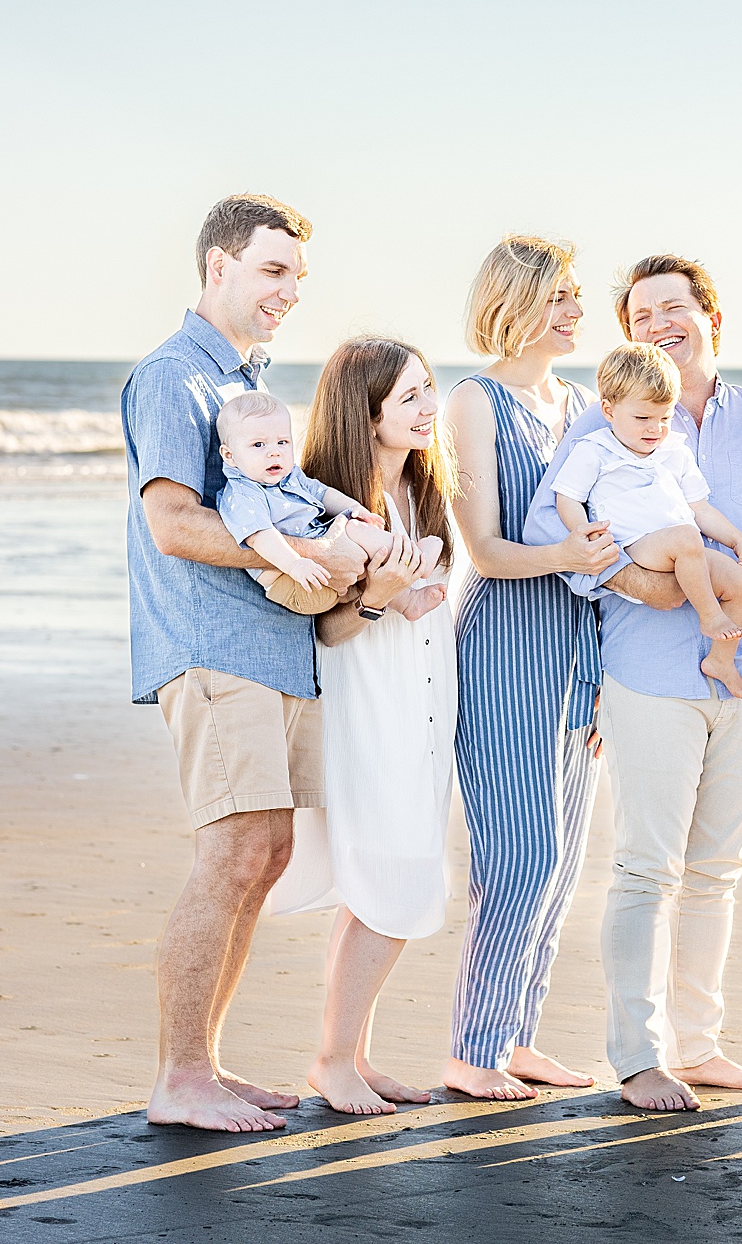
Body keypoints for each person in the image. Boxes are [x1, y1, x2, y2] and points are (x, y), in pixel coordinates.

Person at [527, 254, 742, 1111]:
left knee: (718, 867)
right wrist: (641, 583)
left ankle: (700, 1043)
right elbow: (557, 530)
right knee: (646, 868)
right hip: (648, 676)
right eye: (641, 315)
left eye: (673, 308)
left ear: (710, 315)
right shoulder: (603, 424)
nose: (658, 325)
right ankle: (640, 1055)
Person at [126, 193, 365, 1132]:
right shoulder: (173, 376)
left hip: (274, 647)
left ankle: (206, 1066)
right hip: (213, 644)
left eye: (299, 277)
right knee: (230, 851)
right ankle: (180, 1076)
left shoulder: (244, 380)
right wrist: (301, 555)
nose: (290, 292)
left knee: (266, 854)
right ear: (218, 265)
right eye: (274, 271)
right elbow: (173, 522)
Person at [442, 235, 620, 1101]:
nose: (577, 311)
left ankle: (517, 1035)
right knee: (519, 852)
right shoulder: (473, 400)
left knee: (564, 859)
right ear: (514, 300)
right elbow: (482, 547)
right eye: (560, 296)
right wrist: (575, 558)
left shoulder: (584, 402)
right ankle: (473, 1048)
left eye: (578, 296)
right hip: (504, 638)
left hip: (578, 649)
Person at [265, 337, 458, 1114]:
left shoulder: (419, 490)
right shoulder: (322, 502)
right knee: (393, 871)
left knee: (382, 879)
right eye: (410, 395)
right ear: (366, 410)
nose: (427, 407)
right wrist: (377, 594)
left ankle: (350, 1054)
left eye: (429, 390)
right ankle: (334, 1060)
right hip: (366, 696)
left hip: (425, 697)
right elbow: (324, 627)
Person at [552, 343, 742, 699]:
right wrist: (581, 533)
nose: (655, 429)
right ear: (609, 410)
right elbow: (566, 497)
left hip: (684, 550)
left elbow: (701, 509)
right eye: (642, 418)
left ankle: (721, 660)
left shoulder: (673, 451)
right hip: (638, 546)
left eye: (664, 418)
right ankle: (710, 617)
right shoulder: (594, 450)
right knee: (684, 539)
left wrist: (736, 539)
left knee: (741, 582)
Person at [213, 389, 441, 617]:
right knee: (353, 531)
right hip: (293, 583)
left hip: (318, 573)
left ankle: (408, 601)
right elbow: (260, 537)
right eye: (258, 445)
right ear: (229, 455)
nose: (274, 453)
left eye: (282, 442)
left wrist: (354, 508)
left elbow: (322, 493)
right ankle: (417, 561)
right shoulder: (243, 493)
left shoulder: (289, 476)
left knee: (361, 543)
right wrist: (295, 564)